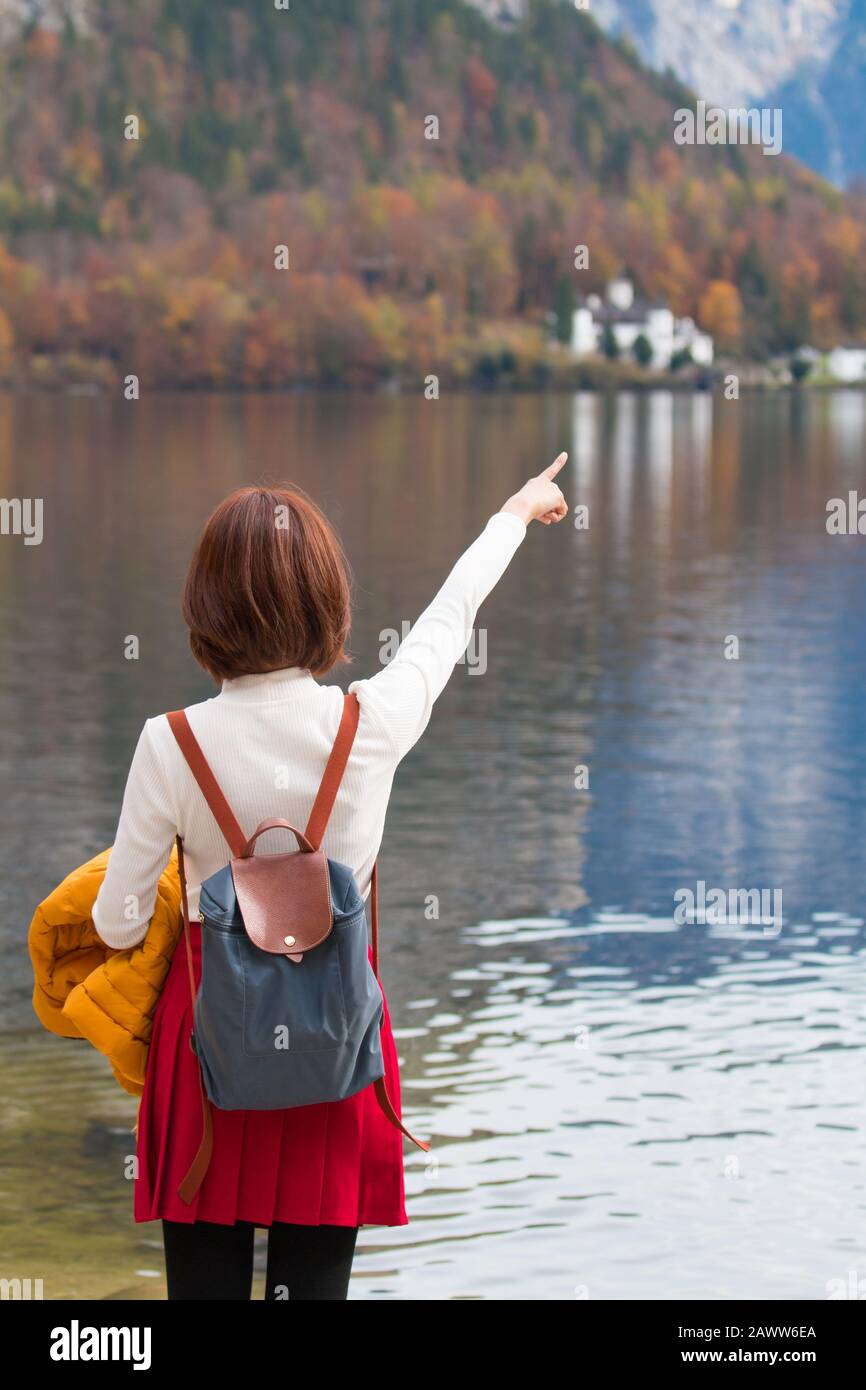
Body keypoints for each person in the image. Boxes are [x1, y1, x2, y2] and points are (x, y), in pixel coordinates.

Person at [92, 453, 568, 1300]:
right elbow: (450, 616)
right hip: (334, 1049)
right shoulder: (374, 723)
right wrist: (516, 512)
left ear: (204, 609)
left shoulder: (168, 743)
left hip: (207, 1056)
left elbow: (119, 925)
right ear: (326, 602)